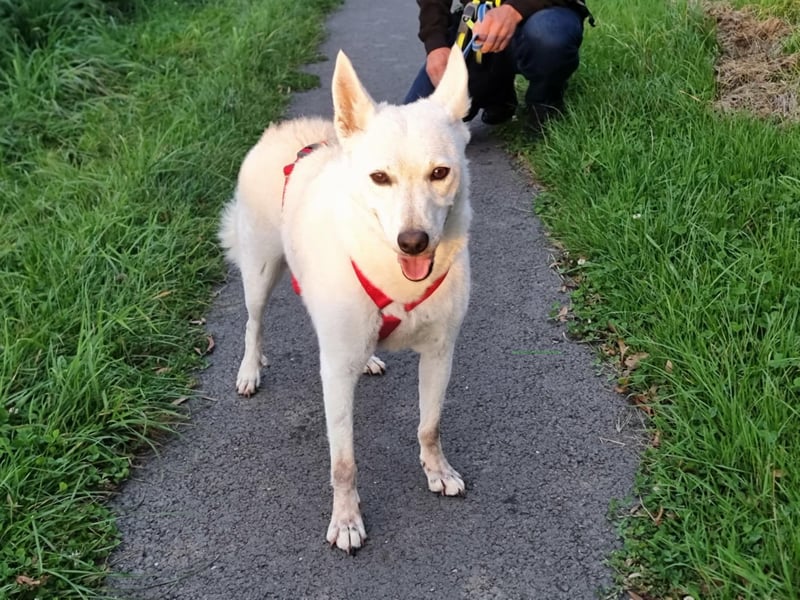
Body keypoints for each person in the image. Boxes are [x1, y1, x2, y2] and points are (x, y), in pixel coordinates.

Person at [404, 0, 594, 131]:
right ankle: (498, 92)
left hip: (544, 13)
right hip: (478, 24)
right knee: (416, 125)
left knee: (548, 36)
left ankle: (545, 100)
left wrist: (513, 10)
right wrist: (436, 44)